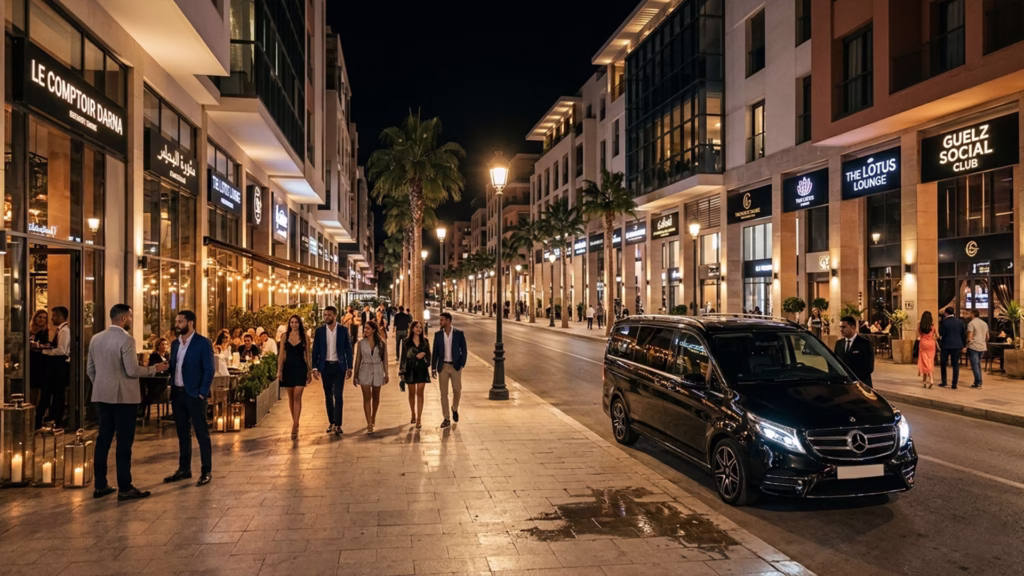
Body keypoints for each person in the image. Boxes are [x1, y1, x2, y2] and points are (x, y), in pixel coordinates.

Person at [87, 304, 168, 501]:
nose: (131, 320)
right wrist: (154, 369)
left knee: (103, 440)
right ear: (123, 319)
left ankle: (100, 485)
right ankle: (125, 486)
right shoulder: (126, 339)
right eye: (130, 317)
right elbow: (132, 371)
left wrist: (101, 385)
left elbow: (90, 369)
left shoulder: (95, 339)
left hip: (101, 396)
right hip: (124, 399)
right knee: (124, 443)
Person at [163, 310, 215, 488]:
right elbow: (175, 367)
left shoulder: (202, 343)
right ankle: (184, 468)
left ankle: (206, 470)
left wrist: (202, 392)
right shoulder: (175, 344)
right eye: (176, 321)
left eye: (180, 322)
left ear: (190, 323)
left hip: (194, 394)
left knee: (201, 433)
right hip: (178, 394)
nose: (176, 325)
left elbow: (209, 370)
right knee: (182, 433)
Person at [312, 306, 353, 436]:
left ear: (335, 315)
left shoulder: (342, 330)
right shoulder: (319, 331)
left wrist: (350, 366)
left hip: (339, 366)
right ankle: (331, 421)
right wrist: (314, 367)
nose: (326, 317)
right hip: (325, 367)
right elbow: (315, 350)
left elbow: (348, 349)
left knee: (338, 395)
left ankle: (338, 424)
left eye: (329, 315)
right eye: (325, 315)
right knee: (328, 395)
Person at [277, 315, 312, 439]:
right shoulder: (284, 337)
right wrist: (279, 371)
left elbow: (308, 355)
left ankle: (295, 425)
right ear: (289, 324)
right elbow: (281, 355)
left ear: (300, 324)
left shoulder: (305, 337)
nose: (294, 324)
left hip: (300, 368)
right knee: (291, 397)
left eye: (296, 322)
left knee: (298, 396)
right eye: (292, 322)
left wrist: (309, 370)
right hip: (288, 368)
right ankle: (295, 421)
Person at [431, 312, 467, 429]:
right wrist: (433, 368)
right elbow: (435, 352)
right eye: (440, 320)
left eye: (442, 320)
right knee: (443, 393)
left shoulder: (458, 334)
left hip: (455, 366)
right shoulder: (438, 335)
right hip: (443, 367)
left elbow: (464, 350)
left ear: (448, 321)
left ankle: (454, 408)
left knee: (457, 390)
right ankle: (446, 418)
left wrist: (462, 364)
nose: (440, 322)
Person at [353, 320, 388, 433]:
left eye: (368, 328)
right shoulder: (361, 343)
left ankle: (373, 416)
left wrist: (386, 373)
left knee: (376, 397)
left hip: (377, 369)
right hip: (365, 370)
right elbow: (358, 359)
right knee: (366, 398)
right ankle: (369, 422)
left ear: (373, 330)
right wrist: (355, 374)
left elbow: (385, 360)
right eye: (365, 328)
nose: (365, 330)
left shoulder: (382, 343)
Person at [39, 306, 71, 429]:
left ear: (60, 316)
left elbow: (62, 350)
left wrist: (44, 351)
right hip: (57, 366)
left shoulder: (64, 331)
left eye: (53, 315)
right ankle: (53, 418)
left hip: (60, 366)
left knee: (57, 393)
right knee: (56, 393)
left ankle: (56, 419)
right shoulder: (60, 330)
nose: (51, 318)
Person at [834, 315, 874, 387]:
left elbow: (869, 367)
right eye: (840, 327)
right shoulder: (839, 344)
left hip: (861, 385)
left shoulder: (865, 344)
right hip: (843, 385)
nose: (841, 330)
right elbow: (835, 363)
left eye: (844, 327)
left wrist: (852, 378)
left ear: (853, 327)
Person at [403, 321, 430, 429]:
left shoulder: (425, 341)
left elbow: (429, 356)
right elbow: (403, 358)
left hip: (422, 369)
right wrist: (402, 371)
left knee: (420, 393)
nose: (419, 329)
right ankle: (413, 413)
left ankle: (419, 418)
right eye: (416, 327)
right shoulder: (406, 342)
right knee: (411, 393)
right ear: (412, 329)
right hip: (410, 369)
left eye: (420, 327)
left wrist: (425, 359)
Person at [938, 306, 966, 389]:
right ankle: (954, 384)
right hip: (957, 345)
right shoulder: (960, 322)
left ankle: (944, 381)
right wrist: (963, 345)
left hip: (946, 345)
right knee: (955, 364)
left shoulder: (944, 322)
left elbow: (941, 333)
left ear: (946, 313)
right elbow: (963, 335)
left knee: (943, 363)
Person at [28, 310, 50, 411]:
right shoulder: (29, 330)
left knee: (40, 387)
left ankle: (39, 411)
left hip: (41, 361)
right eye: (40, 317)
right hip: (30, 360)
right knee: (32, 387)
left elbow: (47, 345)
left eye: (44, 318)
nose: (42, 320)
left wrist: (39, 346)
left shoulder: (46, 331)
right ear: (35, 318)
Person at [966, 309, 989, 389]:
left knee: (975, 365)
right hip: (982, 346)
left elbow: (969, 337)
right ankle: (980, 381)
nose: (969, 315)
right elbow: (987, 337)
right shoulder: (984, 324)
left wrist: (966, 346)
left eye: (970, 313)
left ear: (973, 314)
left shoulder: (971, 323)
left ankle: (977, 382)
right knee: (978, 363)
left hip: (974, 346)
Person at [393, 306, 413, 382]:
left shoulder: (396, 316)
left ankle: (397, 356)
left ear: (398, 309)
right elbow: (409, 324)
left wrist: (393, 332)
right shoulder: (406, 316)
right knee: (404, 346)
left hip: (398, 331)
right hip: (404, 331)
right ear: (403, 310)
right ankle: (403, 356)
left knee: (397, 345)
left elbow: (395, 324)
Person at [918, 311, 936, 389]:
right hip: (931, 344)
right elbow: (937, 335)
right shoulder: (932, 326)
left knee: (924, 361)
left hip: (923, 344)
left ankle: (926, 381)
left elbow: (918, 335)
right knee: (929, 361)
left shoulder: (920, 326)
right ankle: (928, 380)